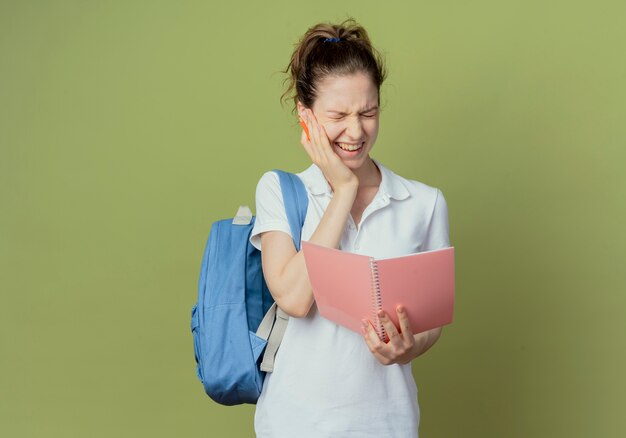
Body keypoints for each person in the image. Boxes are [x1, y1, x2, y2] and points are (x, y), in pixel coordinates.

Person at [249, 17, 450, 438]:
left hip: (389, 424)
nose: (356, 131)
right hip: (294, 425)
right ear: (306, 115)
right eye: (338, 115)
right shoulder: (280, 191)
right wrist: (343, 190)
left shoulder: (424, 203)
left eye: (369, 112)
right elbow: (293, 299)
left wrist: (409, 346)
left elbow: (433, 320)